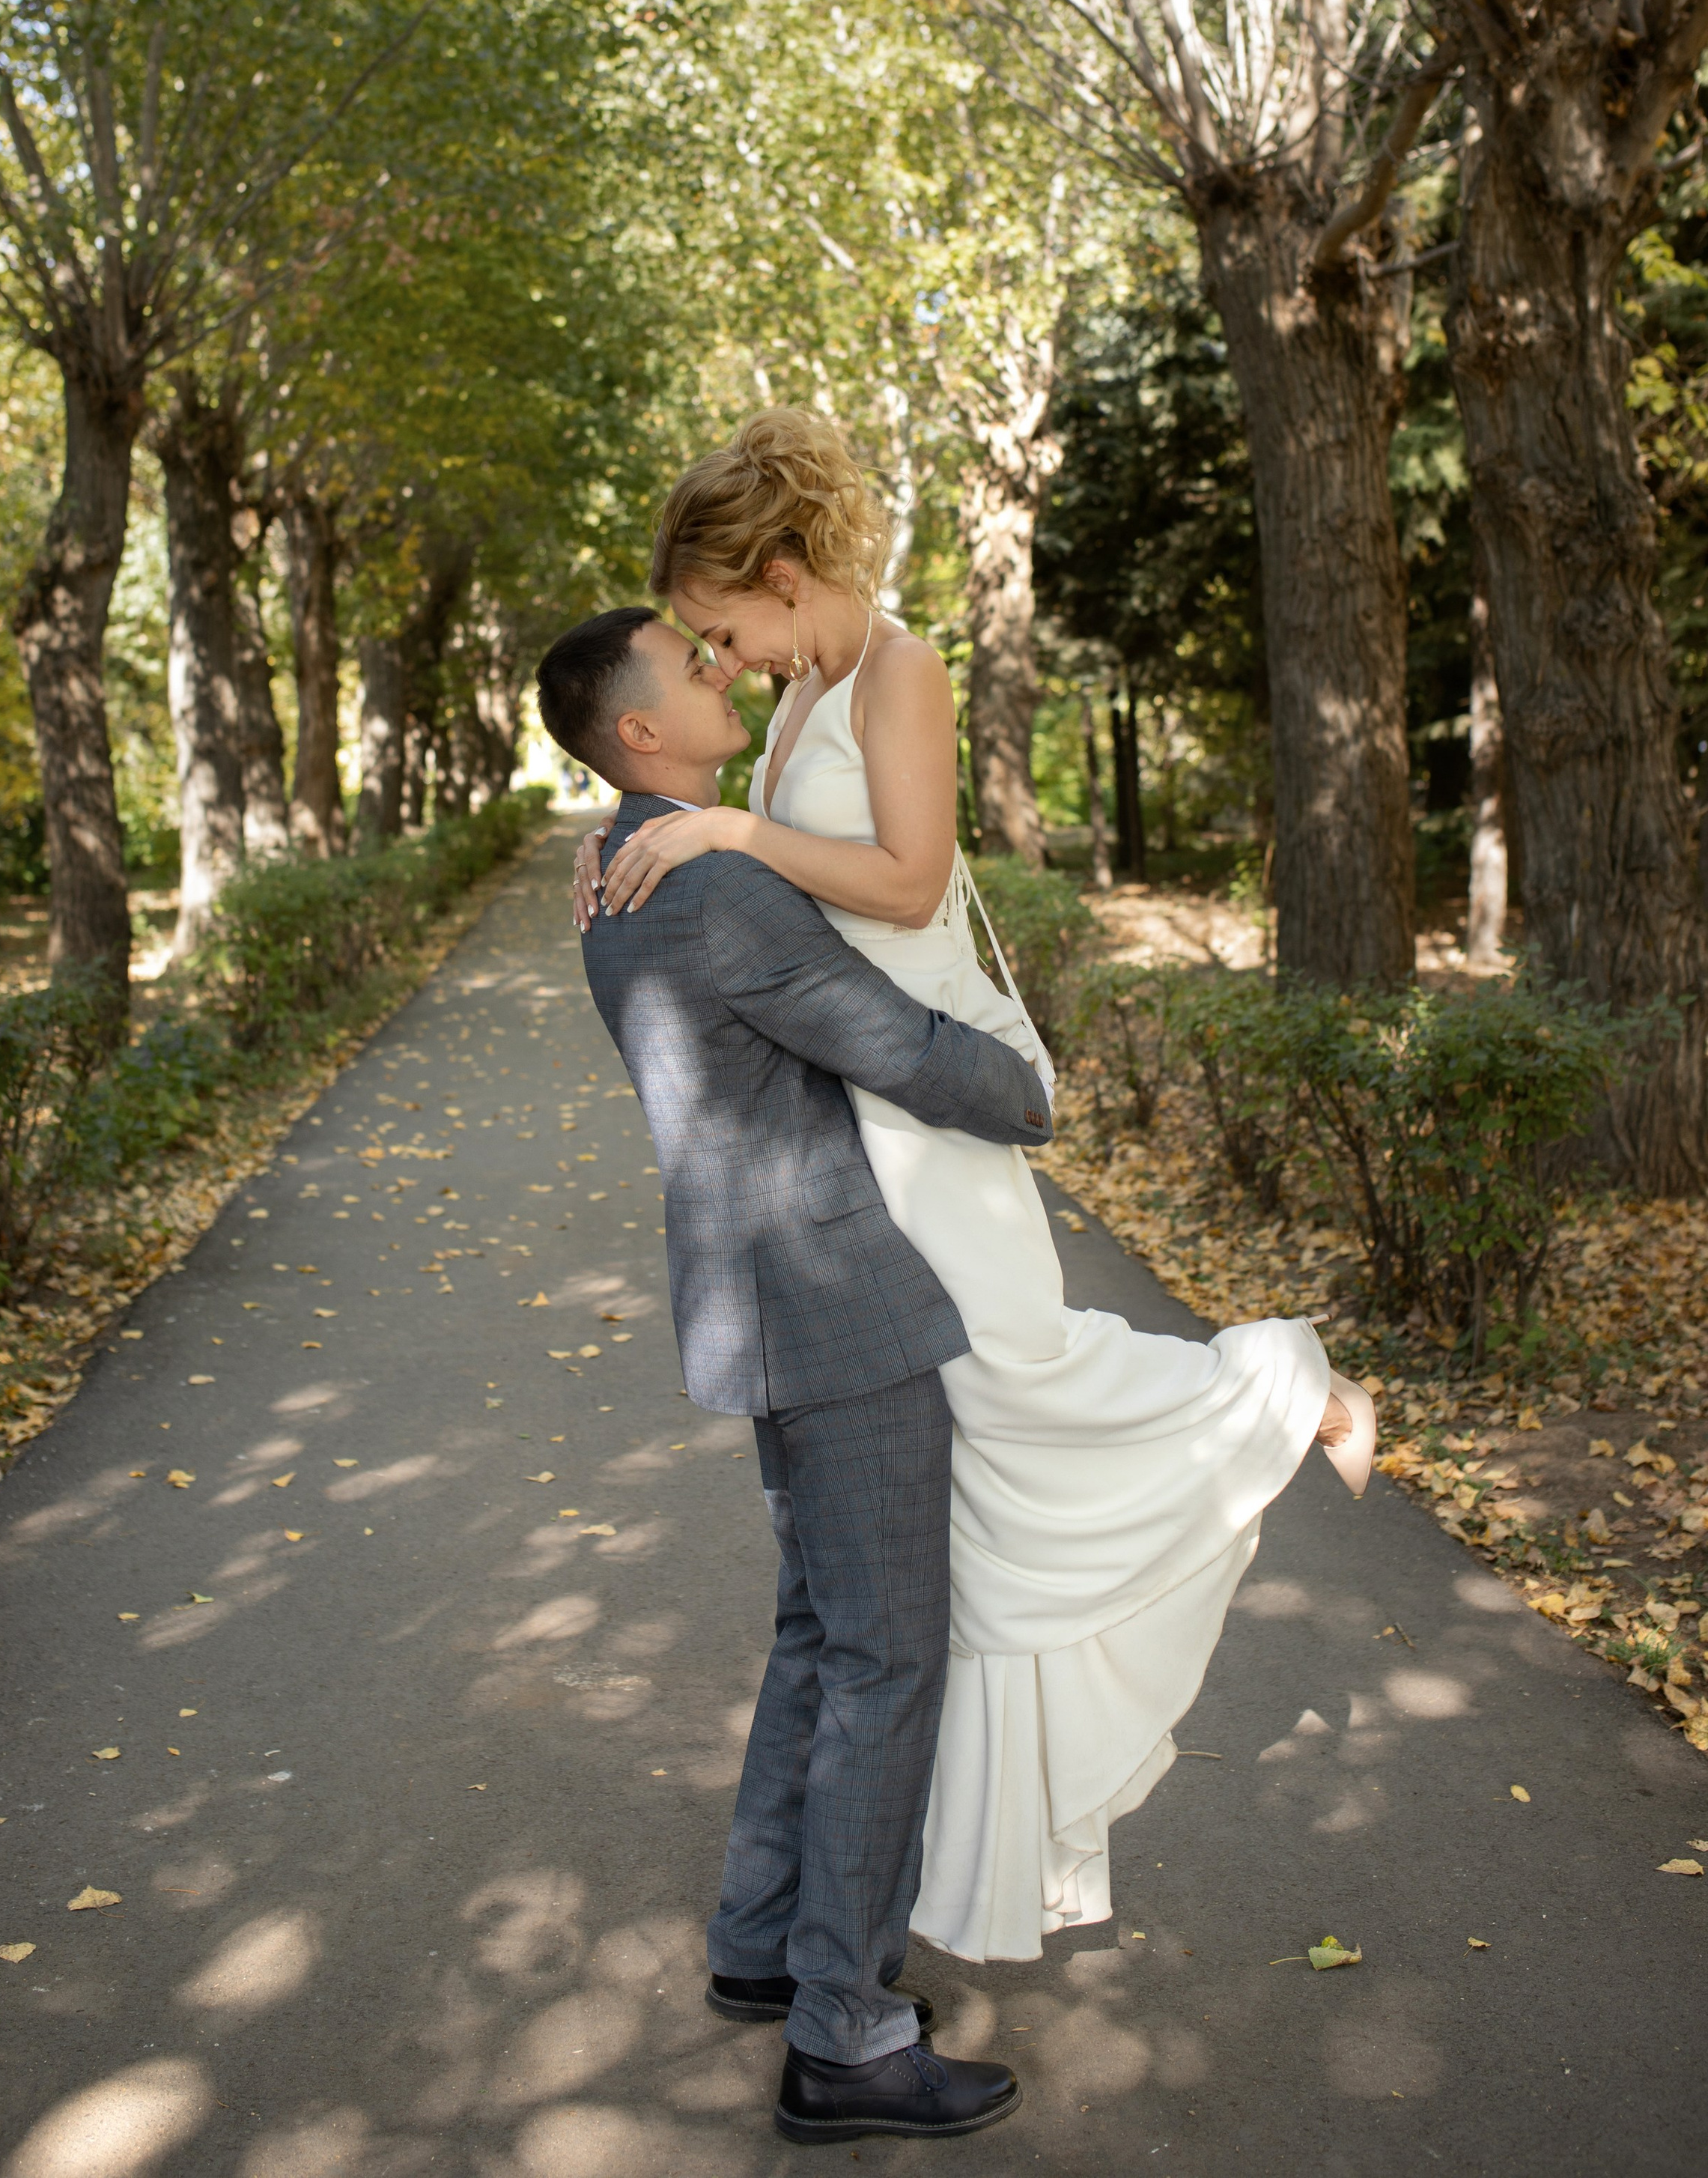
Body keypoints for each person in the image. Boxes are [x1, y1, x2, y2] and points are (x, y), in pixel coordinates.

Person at [570, 408, 1376, 1968]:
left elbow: (913, 885)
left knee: (1019, 1366)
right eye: (697, 644)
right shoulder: (800, 688)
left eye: (717, 621)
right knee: (973, 1474)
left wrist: (721, 820)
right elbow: (738, 883)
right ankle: (897, 1876)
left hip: (924, 1096)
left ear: (781, 572)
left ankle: (1290, 1388)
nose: (713, 658)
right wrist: (657, 831)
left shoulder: (898, 671)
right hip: (856, 1113)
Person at [535, 604, 1042, 2146]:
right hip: (835, 1307)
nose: (719, 672)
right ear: (637, 735)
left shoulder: (629, 871)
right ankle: (845, 2032)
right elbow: (893, 1043)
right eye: (689, 670)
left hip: (755, 1301)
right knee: (887, 1657)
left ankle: (762, 1944)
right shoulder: (717, 891)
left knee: (823, 1633)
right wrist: (1025, 1084)